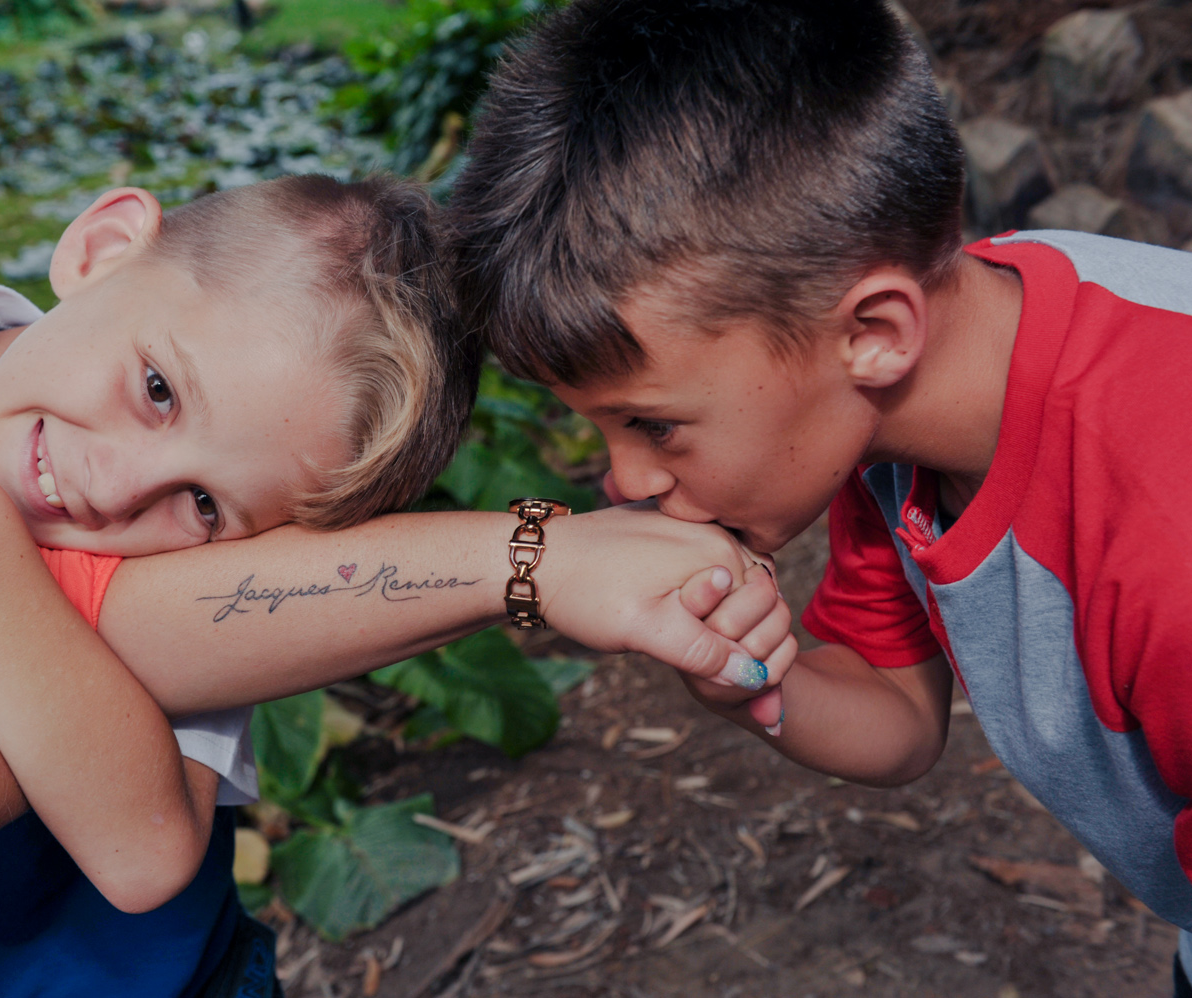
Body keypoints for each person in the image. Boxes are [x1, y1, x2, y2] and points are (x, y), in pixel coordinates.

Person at [0, 181, 792, 993]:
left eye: (206, 505)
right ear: (103, 248)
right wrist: (116, 668)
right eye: (158, 389)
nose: (116, 486)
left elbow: (142, 852)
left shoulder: (143, 533)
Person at [447, 0, 1192, 992]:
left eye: (653, 424)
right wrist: (745, 678)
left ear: (877, 333)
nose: (624, 482)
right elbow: (897, 708)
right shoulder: (892, 395)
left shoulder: (1166, 536)